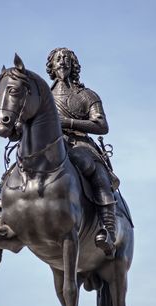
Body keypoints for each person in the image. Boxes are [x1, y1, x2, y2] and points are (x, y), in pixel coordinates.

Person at [46, 47, 118, 257]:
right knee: (14, 170)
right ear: (51, 65)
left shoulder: (87, 95)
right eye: (57, 59)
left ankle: (108, 231)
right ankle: (1, 221)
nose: (62, 62)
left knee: (98, 174)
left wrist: (67, 122)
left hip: (80, 144)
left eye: (66, 59)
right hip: (49, 144)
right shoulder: (43, 96)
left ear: (73, 65)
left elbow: (102, 126)